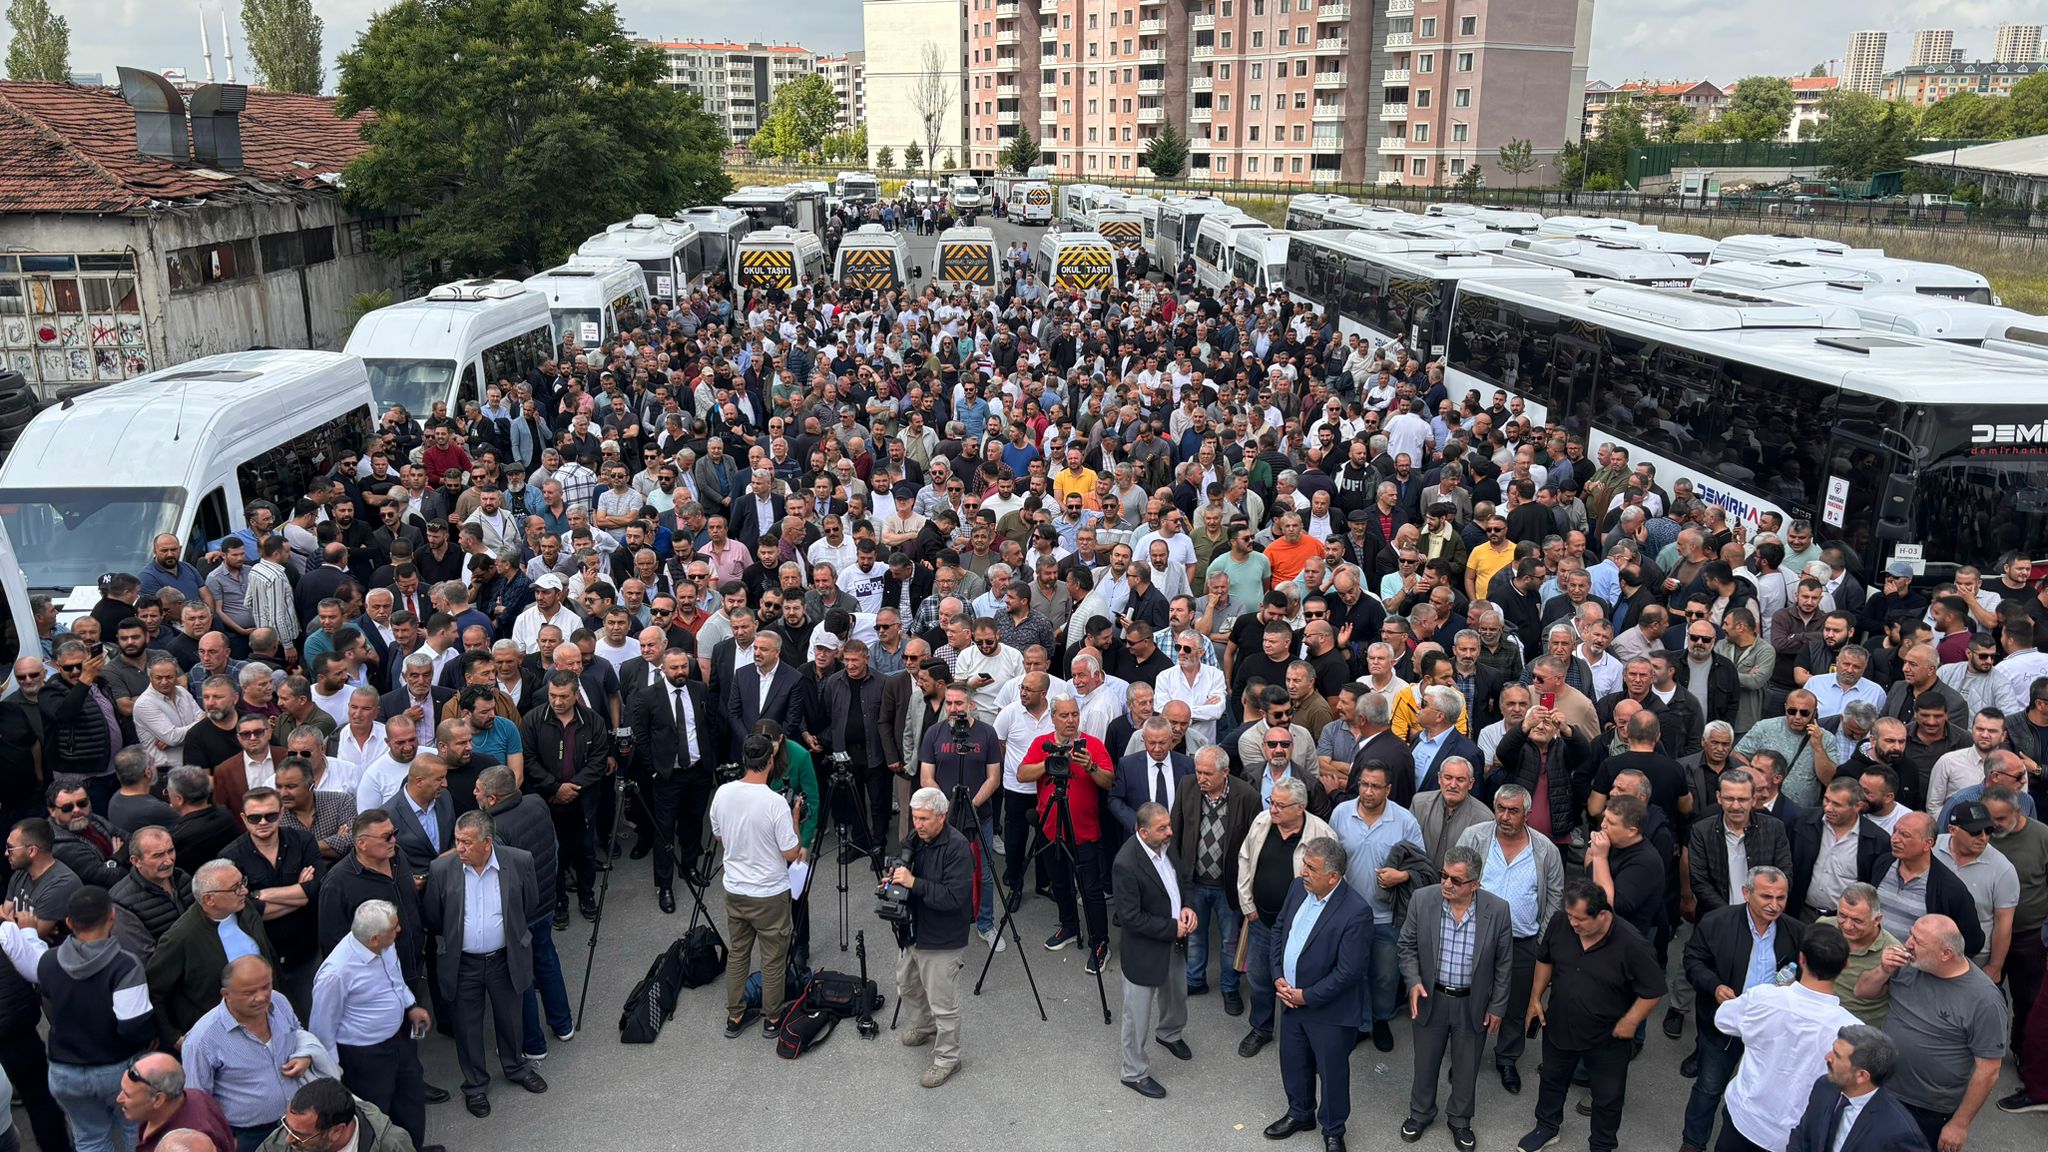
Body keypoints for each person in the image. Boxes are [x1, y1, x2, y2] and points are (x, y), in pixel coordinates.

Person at [1519, 880, 1665, 1152]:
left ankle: (1602, 1144)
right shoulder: (1561, 922)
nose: (1573, 924)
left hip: (1608, 1036)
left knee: (1608, 1097)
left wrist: (1631, 1021)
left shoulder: (1632, 943)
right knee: (1552, 1079)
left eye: (1580, 919)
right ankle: (1547, 1126)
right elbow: (1545, 958)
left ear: (1602, 914)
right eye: (1570, 915)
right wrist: (1535, 999)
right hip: (1560, 1022)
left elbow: (1654, 990)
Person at [421, 809, 547, 1118]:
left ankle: (516, 1068)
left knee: (510, 1019)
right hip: (464, 963)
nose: (459, 848)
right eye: (457, 840)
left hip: (505, 959)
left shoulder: (519, 861)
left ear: (487, 842)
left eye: (466, 842)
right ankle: (475, 1085)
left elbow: (529, 904)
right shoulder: (441, 869)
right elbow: (434, 918)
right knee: (467, 1026)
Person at [10, 885, 153, 1152]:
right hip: (115, 1066)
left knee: (89, 1138)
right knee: (134, 1129)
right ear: (112, 916)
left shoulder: (49, 961)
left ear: (69, 922)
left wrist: (27, 931)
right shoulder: (125, 965)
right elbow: (135, 1025)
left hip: (65, 1073)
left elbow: (33, 964)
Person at [1852, 914, 2006, 1151]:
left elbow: (1989, 1070)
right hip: (1879, 1089)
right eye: (1911, 934)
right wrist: (1883, 969)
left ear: (1946, 954)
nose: (1908, 943)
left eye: (1918, 941)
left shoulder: (1984, 1000)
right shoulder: (1907, 965)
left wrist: (1959, 1124)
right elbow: (1862, 991)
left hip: (1928, 1111)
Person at [1680, 865, 1807, 1152]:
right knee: (1709, 1087)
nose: (1775, 905)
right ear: (1746, 892)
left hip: (1771, 1030)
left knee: (1763, 1093)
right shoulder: (1716, 922)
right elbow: (1693, 960)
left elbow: (1805, 974)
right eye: (1766, 897)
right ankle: (1692, 1142)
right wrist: (1714, 986)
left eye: (1781, 898)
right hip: (1725, 1024)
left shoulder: (1797, 931)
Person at [1397, 844, 1514, 1152]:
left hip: (1471, 1003)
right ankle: (1420, 1113)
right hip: (1430, 997)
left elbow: (1504, 964)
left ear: (1475, 884)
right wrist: (1412, 982)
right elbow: (1406, 946)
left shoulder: (1498, 910)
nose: (1447, 884)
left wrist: (1498, 1006)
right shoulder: (1423, 900)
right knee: (1425, 1062)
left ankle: (1460, 1119)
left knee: (1466, 1066)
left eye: (1456, 880)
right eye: (1444, 875)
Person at [1262, 835, 1371, 1152]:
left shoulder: (1356, 912)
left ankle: (1334, 1129)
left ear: (1333, 877)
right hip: (1291, 1001)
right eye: (1304, 864)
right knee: (1293, 1061)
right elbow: (1279, 930)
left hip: (1329, 1012)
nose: (1303, 872)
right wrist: (1278, 977)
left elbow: (1348, 972)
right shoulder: (1298, 888)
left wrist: (1305, 996)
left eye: (1311, 867)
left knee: (1332, 1072)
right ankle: (1300, 1113)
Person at [1713, 923, 1860, 1152]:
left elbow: (1723, 1019)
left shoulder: (1764, 997)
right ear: (1845, 965)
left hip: (1745, 1118)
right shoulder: (1852, 1030)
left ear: (1801, 959)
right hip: (1792, 1136)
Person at [1456, 784, 1563, 1095]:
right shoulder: (1474, 837)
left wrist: (1542, 945)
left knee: (1516, 1005)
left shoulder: (1545, 851)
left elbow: (1554, 901)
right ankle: (1465, 1058)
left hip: (1523, 942)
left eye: (1513, 810)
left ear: (1527, 814)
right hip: (1475, 940)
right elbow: (1455, 882)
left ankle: (1507, 1058)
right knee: (1470, 1001)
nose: (1505, 816)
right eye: (1500, 808)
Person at [310, 900, 433, 1152]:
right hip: (365, 1056)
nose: (399, 930)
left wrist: (411, 1006)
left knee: (411, 1099)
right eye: (394, 928)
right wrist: (334, 1074)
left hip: (399, 1040)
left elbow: (394, 980)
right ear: (374, 938)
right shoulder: (335, 973)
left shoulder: (384, 946)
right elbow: (322, 1027)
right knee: (377, 1115)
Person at [1327, 759, 1425, 1052]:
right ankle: (1362, 1023)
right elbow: (1331, 858)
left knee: (1385, 975)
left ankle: (1381, 1019)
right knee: (1355, 972)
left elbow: (1423, 865)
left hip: (1387, 916)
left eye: (1375, 786)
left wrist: (1403, 875)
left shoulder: (1404, 820)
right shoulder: (1341, 813)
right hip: (1349, 914)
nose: (1368, 792)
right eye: (1363, 784)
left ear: (1389, 789)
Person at [708, 734, 803, 1038]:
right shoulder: (775, 803)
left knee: (738, 953)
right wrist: (795, 820)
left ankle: (735, 1016)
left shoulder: (722, 793)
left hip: (736, 890)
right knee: (773, 959)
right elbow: (790, 854)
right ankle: (773, 1018)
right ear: (770, 760)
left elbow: (720, 835)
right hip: (770, 894)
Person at [179, 955, 325, 1152]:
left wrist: (305, 1055)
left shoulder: (279, 1002)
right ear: (225, 994)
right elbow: (197, 1102)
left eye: (266, 987)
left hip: (299, 1123)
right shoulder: (202, 1040)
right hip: (249, 1137)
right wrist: (224, 1140)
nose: (262, 997)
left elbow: (297, 1032)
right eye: (249, 993)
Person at [1017, 695, 1117, 972]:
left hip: (1085, 832)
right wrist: (1048, 762)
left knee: (1091, 890)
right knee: (1060, 884)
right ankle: (1070, 927)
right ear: (1053, 718)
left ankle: (1100, 942)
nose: (1071, 720)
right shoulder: (1042, 744)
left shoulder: (1093, 745)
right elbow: (1022, 774)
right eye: (1064, 715)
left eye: (1074, 714)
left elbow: (1109, 782)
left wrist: (1090, 766)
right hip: (1051, 829)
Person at [890, 787, 975, 1089]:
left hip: (942, 939)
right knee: (907, 985)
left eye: (925, 819)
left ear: (942, 816)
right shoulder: (915, 838)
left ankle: (947, 1060)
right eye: (915, 818)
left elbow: (955, 897)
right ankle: (924, 1027)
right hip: (912, 931)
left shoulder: (958, 847)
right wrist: (894, 879)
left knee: (943, 1004)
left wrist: (914, 884)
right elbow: (904, 864)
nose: (918, 825)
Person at [146, 860, 277, 1049]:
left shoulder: (243, 908)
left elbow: (268, 954)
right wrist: (174, 1038)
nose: (244, 891)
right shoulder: (181, 938)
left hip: (266, 1019)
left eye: (243, 883)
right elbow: (155, 991)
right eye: (235, 888)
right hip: (221, 1038)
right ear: (209, 899)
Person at [625, 649, 718, 913]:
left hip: (698, 772)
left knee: (693, 824)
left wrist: (709, 764)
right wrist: (654, 770)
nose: (680, 672)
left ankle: (688, 867)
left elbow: (710, 727)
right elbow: (640, 737)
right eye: (674, 668)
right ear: (663, 669)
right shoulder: (647, 696)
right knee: (664, 830)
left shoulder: (699, 690)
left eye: (683, 667)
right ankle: (664, 885)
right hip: (668, 776)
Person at [218, 788, 324, 1018]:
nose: (263, 822)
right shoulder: (230, 857)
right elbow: (244, 910)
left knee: (313, 1016)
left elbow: (317, 889)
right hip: (263, 960)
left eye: (271, 815)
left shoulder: (302, 841)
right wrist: (299, 893)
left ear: (282, 812)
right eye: (255, 817)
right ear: (244, 818)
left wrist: (260, 894)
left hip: (306, 952)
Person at [1115, 801, 1196, 1099]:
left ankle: (1169, 1034)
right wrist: (1171, 927)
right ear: (1142, 831)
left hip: (1174, 940)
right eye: (1162, 828)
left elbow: (1181, 882)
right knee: (1137, 1015)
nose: (1169, 832)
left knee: (1177, 993)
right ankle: (1133, 1072)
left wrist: (1187, 907)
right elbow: (1130, 918)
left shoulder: (1166, 845)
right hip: (1144, 952)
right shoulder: (1126, 863)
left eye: (1169, 825)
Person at [1169, 745, 1257, 1013]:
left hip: (1227, 885)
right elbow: (1176, 830)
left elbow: (1254, 845)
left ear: (1226, 772)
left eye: (1207, 773)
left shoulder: (1247, 796)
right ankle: (1195, 979)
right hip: (1194, 881)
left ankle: (1230, 987)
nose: (1201, 778)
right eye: (1198, 771)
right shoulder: (1187, 786)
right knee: (1194, 934)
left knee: (1230, 940)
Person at [1784, 1025, 1931, 1152]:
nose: (1827, 1057)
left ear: (1861, 1075)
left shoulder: (1898, 1129)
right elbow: (1803, 1135)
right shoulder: (1824, 1087)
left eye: (1837, 1055)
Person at [254, 1076, 415, 1152]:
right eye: (287, 1125)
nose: (288, 1139)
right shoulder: (276, 1146)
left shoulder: (391, 1145)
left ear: (336, 1132)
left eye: (300, 1135)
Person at [116, 1052, 234, 1152]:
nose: (119, 1099)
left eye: (127, 1095)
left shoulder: (191, 1143)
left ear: (158, 1100)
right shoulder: (194, 1095)